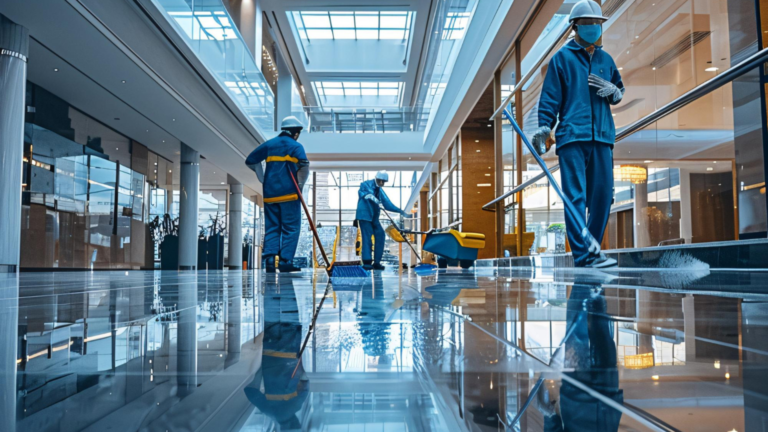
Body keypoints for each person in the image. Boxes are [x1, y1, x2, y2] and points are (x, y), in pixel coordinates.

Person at [532, 0, 623, 268]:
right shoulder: (561, 59)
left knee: (603, 196)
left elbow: (618, 89)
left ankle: (592, 253)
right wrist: (544, 125)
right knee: (576, 197)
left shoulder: (606, 60)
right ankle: (583, 255)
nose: (594, 28)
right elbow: (550, 98)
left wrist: (616, 92)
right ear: (575, 27)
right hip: (572, 137)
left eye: (597, 24)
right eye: (588, 24)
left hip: (603, 137)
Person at [246, 116, 309, 273]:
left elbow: (250, 161)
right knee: (291, 228)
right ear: (295, 132)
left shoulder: (269, 145)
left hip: (270, 195)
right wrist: (299, 186)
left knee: (272, 227)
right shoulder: (296, 146)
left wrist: (263, 178)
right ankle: (285, 261)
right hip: (290, 195)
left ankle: (269, 260)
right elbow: (304, 167)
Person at [355, 171, 408, 271]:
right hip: (364, 216)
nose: (382, 183)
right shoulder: (365, 184)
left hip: (374, 217)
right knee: (367, 237)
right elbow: (365, 194)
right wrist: (374, 199)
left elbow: (387, 203)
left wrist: (400, 211)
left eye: (384, 182)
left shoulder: (379, 190)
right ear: (377, 179)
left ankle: (377, 262)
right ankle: (367, 262)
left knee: (381, 235)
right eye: (381, 181)